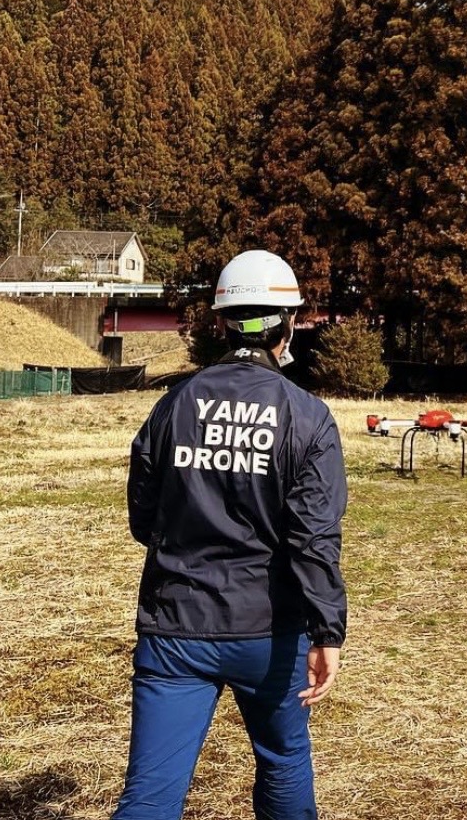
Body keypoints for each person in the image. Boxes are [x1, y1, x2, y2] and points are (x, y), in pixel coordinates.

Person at [113, 249, 347, 820]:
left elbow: (144, 519)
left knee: (150, 793)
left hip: (175, 627)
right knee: (284, 761)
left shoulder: (172, 406)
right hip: (269, 632)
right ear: (288, 323)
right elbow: (313, 540)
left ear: (222, 323)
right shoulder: (307, 416)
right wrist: (327, 630)